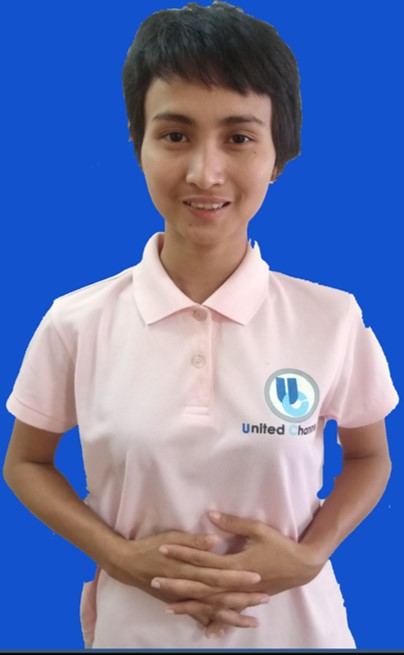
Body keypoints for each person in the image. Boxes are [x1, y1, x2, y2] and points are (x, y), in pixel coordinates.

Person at [3, 0, 399, 649]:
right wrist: (119, 556)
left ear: (278, 154)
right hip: (136, 634)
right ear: (138, 143)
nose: (204, 172)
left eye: (238, 137)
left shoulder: (332, 318)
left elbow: (370, 455)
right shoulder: (75, 322)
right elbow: (25, 462)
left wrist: (310, 555)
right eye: (175, 135)